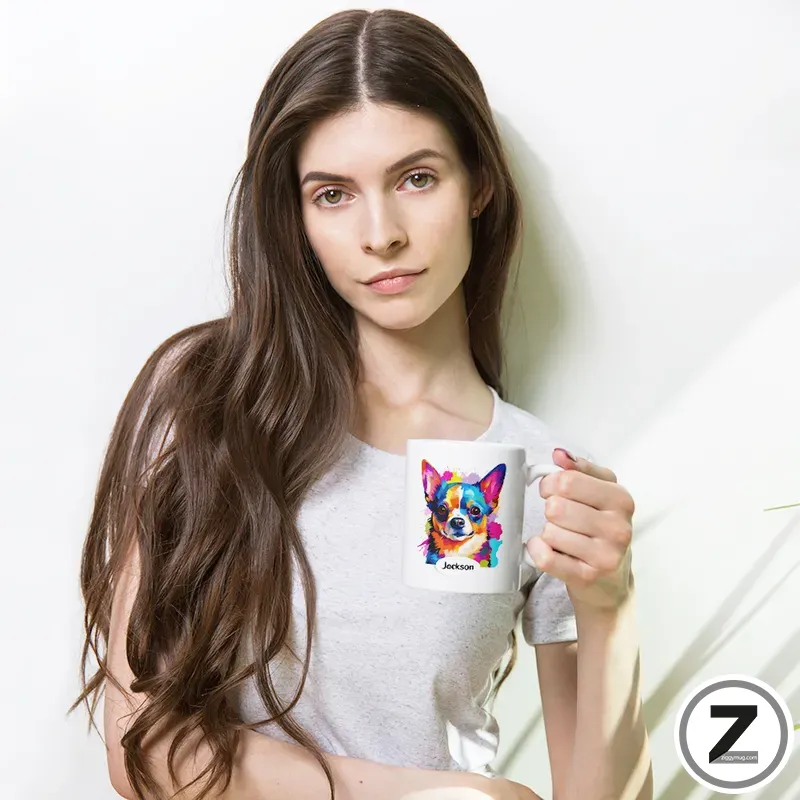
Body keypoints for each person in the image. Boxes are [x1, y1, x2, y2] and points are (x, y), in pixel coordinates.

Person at [70, 8, 653, 800]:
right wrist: (447, 796)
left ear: (479, 183)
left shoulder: (533, 479)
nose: (382, 234)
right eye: (334, 194)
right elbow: (146, 749)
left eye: (417, 178)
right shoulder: (208, 400)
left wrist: (608, 608)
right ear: (296, 216)